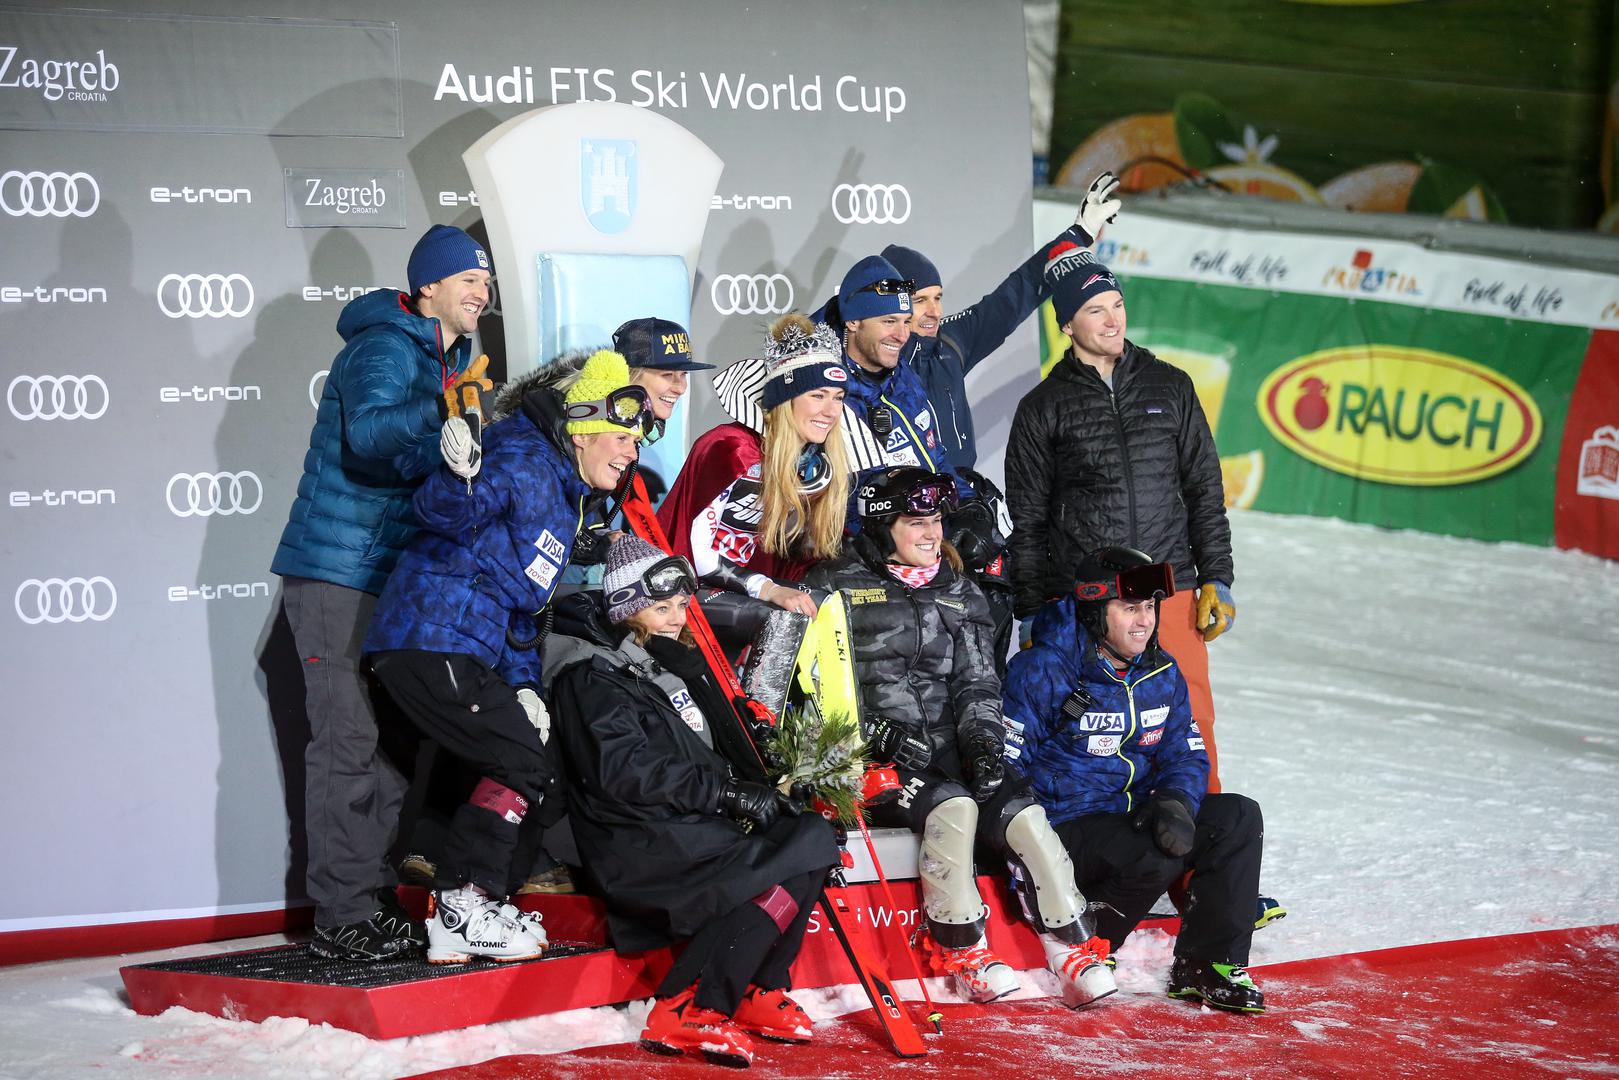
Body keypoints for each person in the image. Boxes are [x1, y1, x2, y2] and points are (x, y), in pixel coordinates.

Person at [363, 349, 649, 963]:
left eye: (637, 440)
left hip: (468, 648)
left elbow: (525, 611)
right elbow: (443, 511)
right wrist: (456, 474)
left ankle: (470, 904)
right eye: (623, 437)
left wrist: (524, 685)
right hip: (430, 637)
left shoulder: (564, 489)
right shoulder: (523, 459)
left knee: (530, 763)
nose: (632, 452)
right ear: (582, 429)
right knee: (518, 759)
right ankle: (464, 905)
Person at [804, 467, 1117, 1008]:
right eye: (916, 522)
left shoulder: (959, 590)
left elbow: (977, 683)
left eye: (937, 521)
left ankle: (1071, 944)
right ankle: (962, 949)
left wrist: (984, 747)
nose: (933, 534)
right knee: (952, 806)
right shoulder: (834, 585)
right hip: (869, 755)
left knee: (1021, 810)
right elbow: (803, 683)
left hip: (946, 745)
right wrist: (868, 735)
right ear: (880, 526)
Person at [269, 223, 492, 961]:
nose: (481, 293)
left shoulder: (446, 358)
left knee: (393, 744)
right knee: (347, 744)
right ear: (428, 285)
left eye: (485, 283)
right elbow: (366, 436)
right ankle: (340, 916)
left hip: (391, 577)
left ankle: (367, 898)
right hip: (337, 573)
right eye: (467, 279)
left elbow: (407, 465)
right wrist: (443, 409)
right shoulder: (385, 347)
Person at [545, 534, 839, 1068]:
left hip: (685, 823)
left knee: (811, 836)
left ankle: (758, 986)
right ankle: (687, 1003)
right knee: (787, 855)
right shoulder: (591, 677)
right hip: (637, 840)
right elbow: (624, 772)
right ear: (626, 608)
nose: (677, 618)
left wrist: (766, 785)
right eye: (661, 608)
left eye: (682, 605)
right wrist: (725, 793)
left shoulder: (662, 665)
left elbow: (707, 750)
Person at [1003, 546, 1267, 1013]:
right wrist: (1027, 856)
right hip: (1065, 827)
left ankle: (1207, 965)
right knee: (1157, 851)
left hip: (1129, 816)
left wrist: (1176, 801)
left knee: (1237, 816)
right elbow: (1008, 766)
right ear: (1094, 611)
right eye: (1129, 608)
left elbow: (1186, 753)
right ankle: (1088, 943)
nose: (1144, 621)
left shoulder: (1161, 670)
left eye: (1149, 607)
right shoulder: (1044, 669)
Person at [1004, 259, 1235, 790]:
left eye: (1118, 305)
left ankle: (1199, 837)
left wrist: (1217, 578)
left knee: (1190, 724)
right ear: (1067, 325)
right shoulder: (1042, 407)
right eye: (1095, 310)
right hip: (1083, 599)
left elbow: (1204, 489)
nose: (1113, 320)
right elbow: (1029, 519)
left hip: (1166, 587)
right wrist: (1031, 611)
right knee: (1081, 733)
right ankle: (1082, 837)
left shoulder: (1171, 386)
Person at [879, 170, 1121, 472]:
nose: (934, 311)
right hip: (901, 497)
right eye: (919, 301)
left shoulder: (950, 340)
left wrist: (1079, 234)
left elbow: (1014, 295)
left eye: (938, 298)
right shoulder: (872, 357)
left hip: (960, 495)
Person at [658, 313, 851, 628]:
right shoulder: (732, 449)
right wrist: (768, 589)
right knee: (782, 621)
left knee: (840, 606)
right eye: (817, 395)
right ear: (786, 400)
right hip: (688, 590)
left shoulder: (817, 463)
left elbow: (800, 558)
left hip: (754, 588)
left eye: (838, 398)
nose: (830, 411)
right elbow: (697, 556)